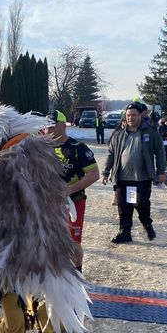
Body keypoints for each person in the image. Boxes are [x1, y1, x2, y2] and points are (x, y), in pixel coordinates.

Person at [0, 102, 91, 333]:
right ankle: (49, 327)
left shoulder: (0, 163)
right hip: (49, 234)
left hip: (12, 240)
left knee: (8, 282)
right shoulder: (41, 151)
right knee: (46, 277)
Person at [102, 102, 167, 244]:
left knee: (141, 204)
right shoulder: (119, 134)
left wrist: (161, 171)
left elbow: (160, 152)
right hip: (123, 177)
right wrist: (106, 171)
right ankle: (125, 232)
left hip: (142, 177)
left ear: (140, 116)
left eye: (133, 115)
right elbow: (111, 153)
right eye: (128, 115)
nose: (130, 118)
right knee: (124, 205)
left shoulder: (150, 132)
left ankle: (147, 224)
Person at [46, 110, 99, 267]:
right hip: (48, 204)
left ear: (63, 126)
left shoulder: (78, 148)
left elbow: (94, 174)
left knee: (73, 245)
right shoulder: (41, 148)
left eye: (52, 127)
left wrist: (69, 189)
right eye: (46, 127)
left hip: (73, 202)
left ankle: (77, 275)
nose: (47, 131)